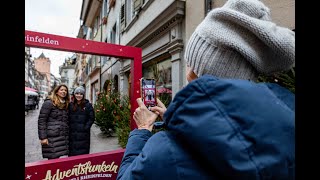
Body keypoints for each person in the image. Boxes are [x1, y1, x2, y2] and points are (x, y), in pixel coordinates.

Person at [117, 0, 295, 179]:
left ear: (197, 71)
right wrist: (172, 118)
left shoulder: (166, 152)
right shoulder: (282, 132)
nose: (187, 70)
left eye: (190, 62)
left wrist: (143, 129)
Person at [38, 84, 70, 160]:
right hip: (51, 137)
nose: (64, 92)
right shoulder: (49, 103)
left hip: (61, 136)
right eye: (61, 90)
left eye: (65, 90)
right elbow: (42, 120)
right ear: (56, 92)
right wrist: (43, 137)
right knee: (52, 159)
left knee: (58, 158)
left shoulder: (65, 104)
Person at [68, 86, 95, 156]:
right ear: (74, 94)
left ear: (83, 95)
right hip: (72, 134)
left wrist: (86, 127)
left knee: (83, 155)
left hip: (83, 134)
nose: (79, 95)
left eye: (81, 94)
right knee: (72, 155)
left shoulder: (88, 105)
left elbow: (91, 118)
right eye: (77, 93)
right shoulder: (70, 105)